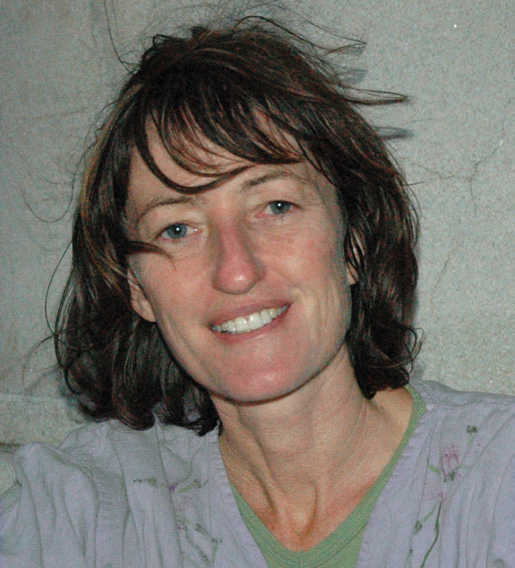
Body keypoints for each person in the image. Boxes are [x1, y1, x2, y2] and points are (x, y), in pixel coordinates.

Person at [1, 18, 514, 568]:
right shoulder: (79, 515)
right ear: (137, 289)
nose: (236, 271)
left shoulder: (498, 481)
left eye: (275, 206)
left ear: (352, 243)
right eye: (178, 228)